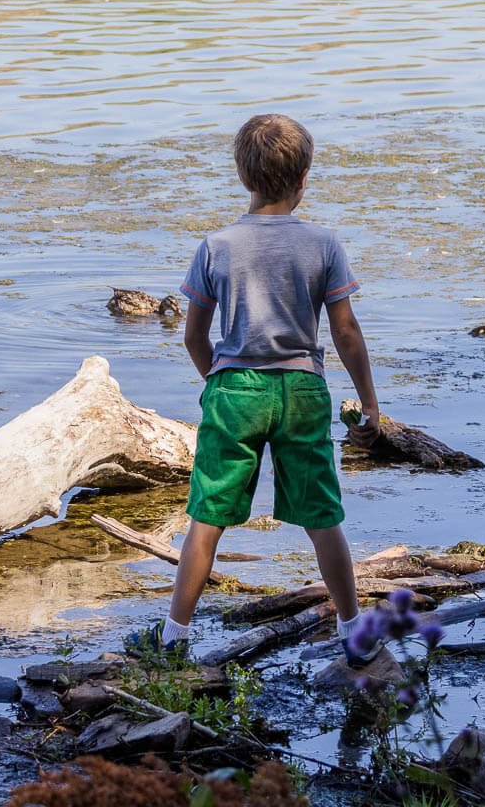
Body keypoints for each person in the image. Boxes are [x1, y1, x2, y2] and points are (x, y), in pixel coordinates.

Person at [126, 113, 384, 663]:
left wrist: (218, 383)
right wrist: (369, 401)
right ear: (304, 178)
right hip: (301, 388)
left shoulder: (217, 246)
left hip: (234, 389)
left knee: (208, 517)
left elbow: (194, 334)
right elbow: (345, 331)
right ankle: (352, 629)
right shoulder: (323, 243)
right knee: (322, 516)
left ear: (243, 176)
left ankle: (174, 637)